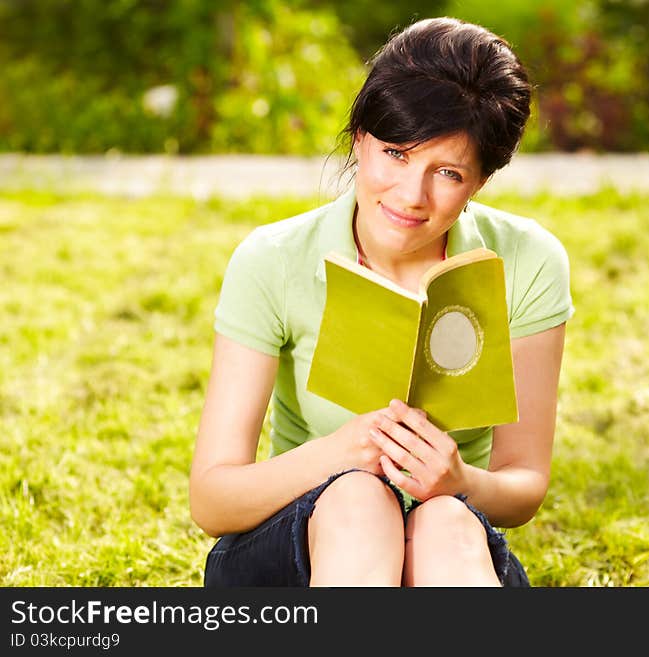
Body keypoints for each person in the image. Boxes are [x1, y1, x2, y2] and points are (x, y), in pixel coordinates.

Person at [189, 16, 574, 587]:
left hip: (447, 542)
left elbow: (523, 486)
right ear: (360, 137)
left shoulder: (527, 260)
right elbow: (213, 500)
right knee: (361, 503)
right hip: (297, 551)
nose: (410, 197)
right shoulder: (273, 258)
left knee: (444, 521)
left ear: (480, 182)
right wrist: (342, 455)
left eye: (447, 172)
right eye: (395, 153)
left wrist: (460, 482)